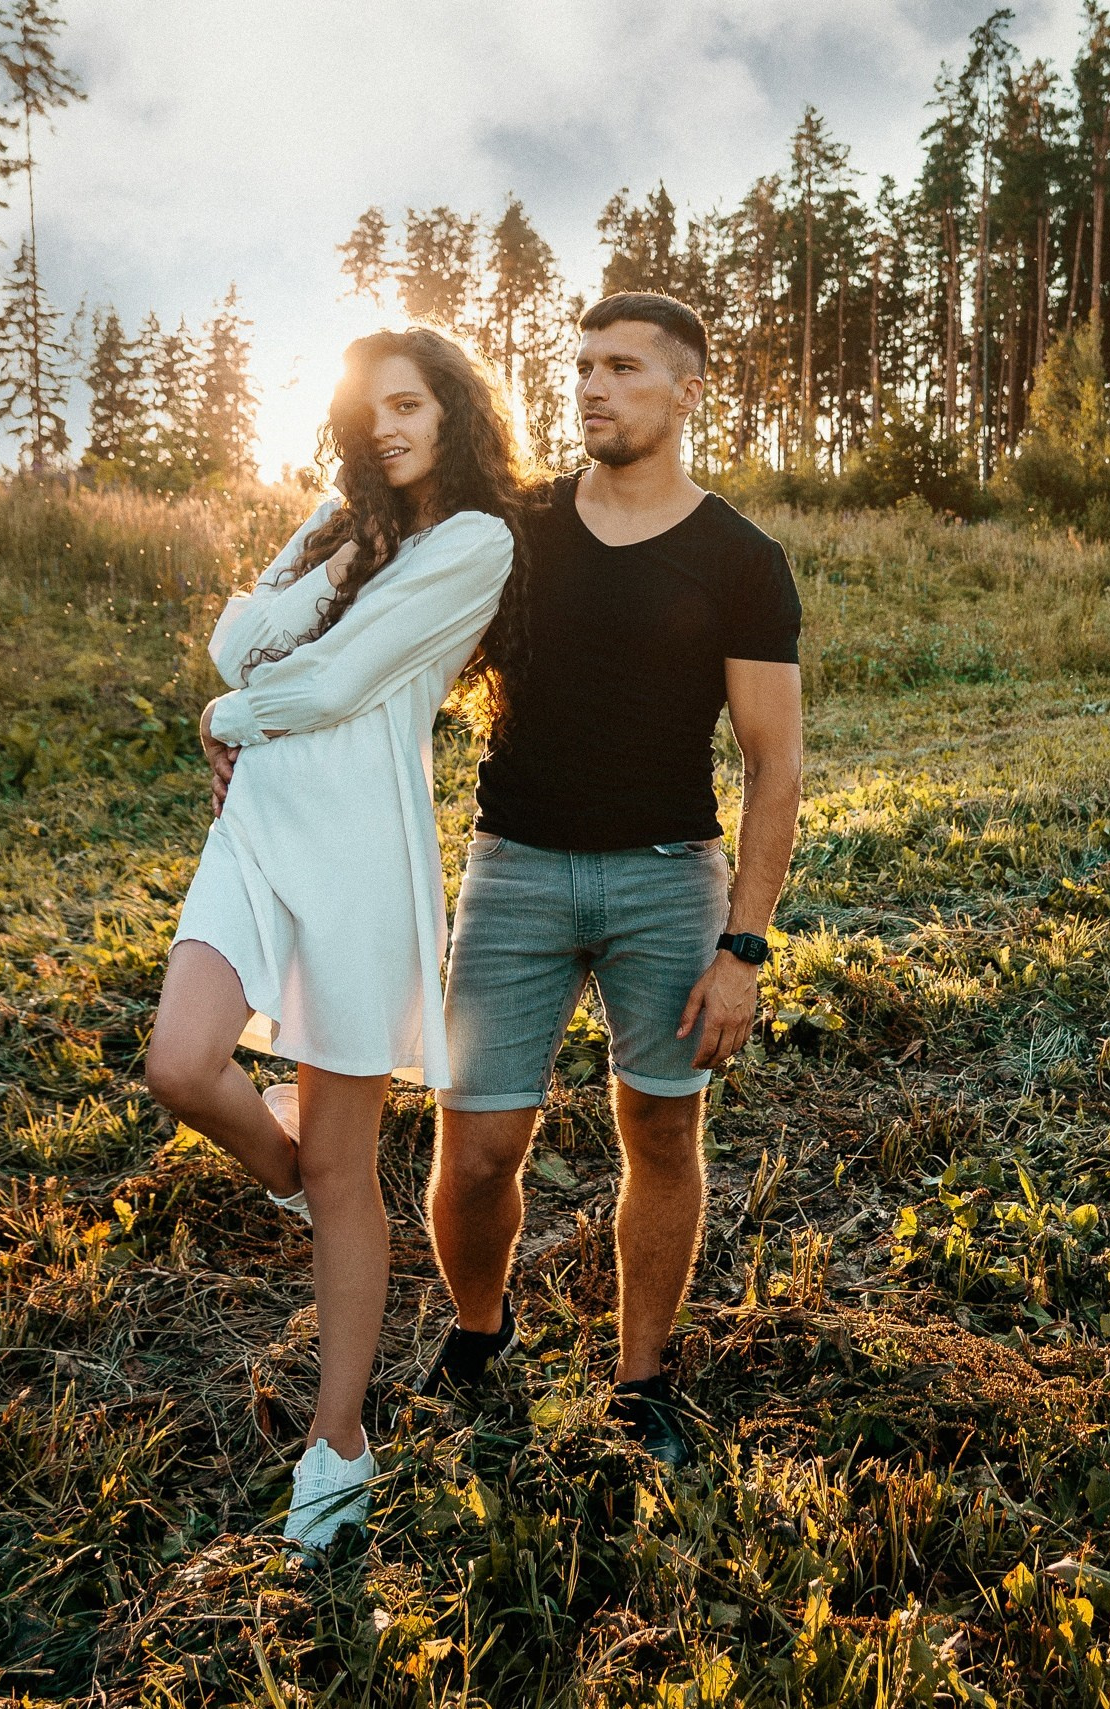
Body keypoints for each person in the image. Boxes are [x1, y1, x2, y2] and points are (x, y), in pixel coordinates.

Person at [144, 327, 526, 1552]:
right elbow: (235, 634)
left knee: (347, 1165)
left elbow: (331, 681)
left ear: (451, 412)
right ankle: (288, 1171)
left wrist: (227, 707)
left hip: (361, 852)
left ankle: (339, 1442)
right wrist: (343, 547)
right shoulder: (336, 516)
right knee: (181, 1063)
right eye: (370, 415)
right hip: (256, 825)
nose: (389, 431)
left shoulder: (476, 541)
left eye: (410, 406)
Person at [423, 292, 805, 1467]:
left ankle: (642, 1379)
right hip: (513, 873)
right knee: (477, 1148)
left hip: (667, 883)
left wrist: (742, 946)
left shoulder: (741, 560)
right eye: (582, 365)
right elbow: (394, 640)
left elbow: (773, 761)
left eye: (624, 367)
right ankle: (479, 1336)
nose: (591, 386)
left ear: (689, 391)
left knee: (660, 1132)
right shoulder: (514, 529)